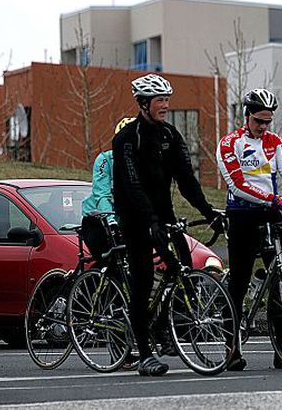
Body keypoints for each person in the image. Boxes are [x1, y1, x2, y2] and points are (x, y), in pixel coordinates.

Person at [112, 73, 224, 377]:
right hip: (134, 217)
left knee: (182, 267)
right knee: (144, 280)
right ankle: (145, 354)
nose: (165, 105)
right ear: (144, 104)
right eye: (160, 100)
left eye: (167, 100)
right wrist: (149, 220)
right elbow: (133, 185)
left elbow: (187, 180)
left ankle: (162, 326)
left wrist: (208, 210)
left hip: (163, 213)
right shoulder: (126, 139)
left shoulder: (171, 136)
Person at [216, 88, 282, 371]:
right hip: (242, 216)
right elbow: (237, 185)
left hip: (271, 213)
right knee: (238, 281)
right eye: (259, 121)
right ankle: (231, 349)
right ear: (246, 116)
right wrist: (275, 199)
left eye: (268, 122)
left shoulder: (274, 141)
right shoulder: (229, 143)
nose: (263, 127)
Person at [80, 117, 137, 370]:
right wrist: (111, 221)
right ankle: (118, 351)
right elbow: (102, 195)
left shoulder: (141, 162)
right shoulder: (105, 160)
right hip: (98, 222)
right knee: (115, 276)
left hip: (126, 221)